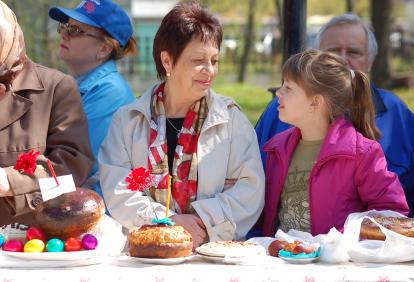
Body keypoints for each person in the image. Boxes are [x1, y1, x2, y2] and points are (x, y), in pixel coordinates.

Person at [98, 2, 264, 247]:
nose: (209, 71)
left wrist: (199, 222)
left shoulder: (231, 120)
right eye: (198, 60)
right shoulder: (128, 120)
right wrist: (168, 221)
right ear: (167, 60)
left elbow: (250, 190)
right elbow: (118, 190)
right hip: (147, 254)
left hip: (212, 252)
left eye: (214, 60)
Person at [256, 14, 414, 220]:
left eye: (354, 52)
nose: (343, 59)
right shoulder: (279, 111)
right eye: (333, 51)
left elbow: (413, 200)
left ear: (370, 62)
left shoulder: (396, 113)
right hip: (280, 248)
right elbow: (254, 187)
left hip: (359, 248)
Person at [259, 50, 409, 236]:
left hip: (335, 264)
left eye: (288, 88)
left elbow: (391, 212)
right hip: (280, 261)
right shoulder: (276, 148)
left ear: (315, 102)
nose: (278, 93)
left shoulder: (362, 153)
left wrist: (344, 240)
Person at [0, 1, 93, 226]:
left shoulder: (56, 88)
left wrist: (10, 182)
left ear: (9, 36)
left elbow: (71, 171)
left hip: (27, 244)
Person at [49, 0, 137, 188]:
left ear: (103, 49)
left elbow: (74, 163)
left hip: (94, 208)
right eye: (65, 26)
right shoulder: (81, 83)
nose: (64, 34)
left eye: (76, 31)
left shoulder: (110, 92)